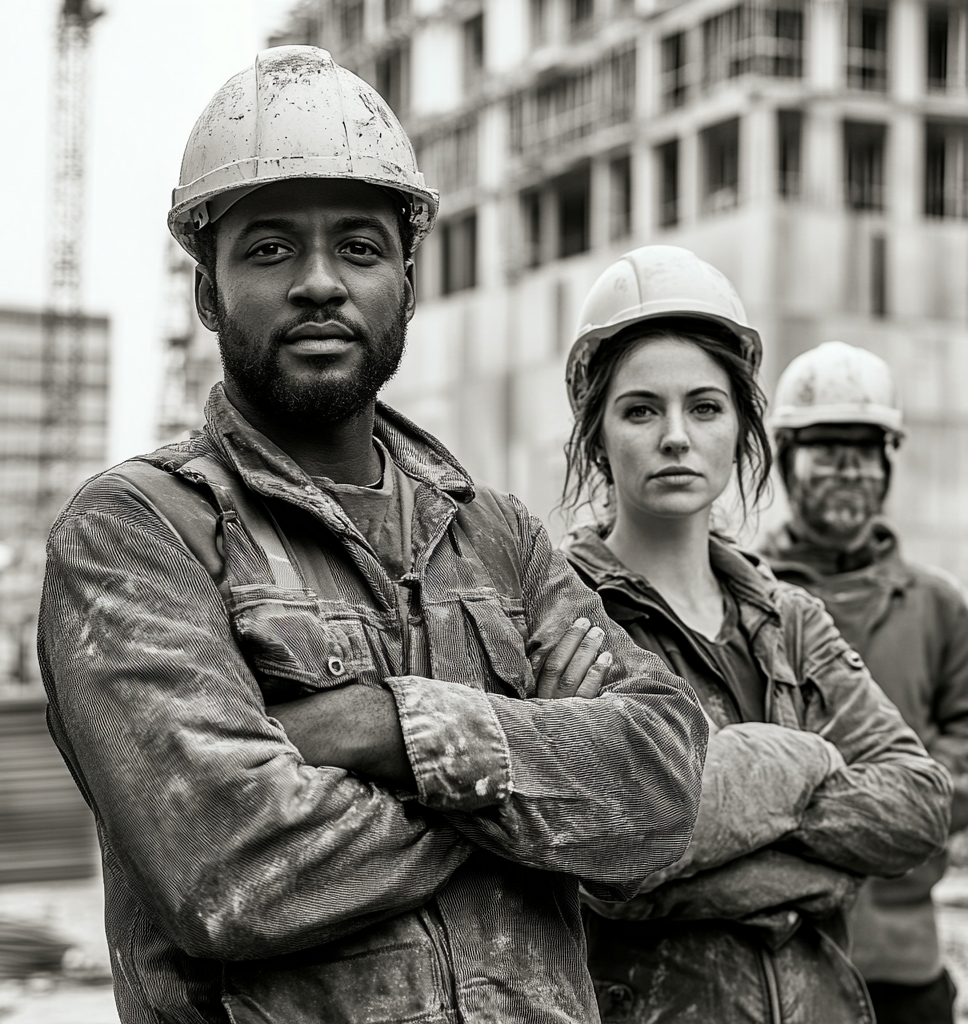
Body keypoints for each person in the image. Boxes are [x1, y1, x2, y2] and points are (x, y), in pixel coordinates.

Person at [36, 49, 708, 1024]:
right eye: (269, 249)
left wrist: (387, 725)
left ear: (406, 278)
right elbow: (226, 861)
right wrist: (536, 798)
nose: (319, 282)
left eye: (357, 246)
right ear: (207, 294)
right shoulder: (139, 532)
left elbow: (658, 784)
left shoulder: (498, 539)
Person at [560, 245, 954, 1024]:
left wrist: (728, 812)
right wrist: (803, 775)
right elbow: (606, 856)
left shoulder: (790, 618)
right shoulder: (561, 611)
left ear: (741, 428)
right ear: (596, 434)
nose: (676, 436)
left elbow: (917, 804)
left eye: (705, 407)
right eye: (641, 409)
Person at [759, 340, 968, 1024]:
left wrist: (899, 799)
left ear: (887, 464)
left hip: (902, 953)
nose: (848, 472)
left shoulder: (935, 606)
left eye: (864, 454)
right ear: (787, 460)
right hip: (770, 951)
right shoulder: (744, 597)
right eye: (827, 452)